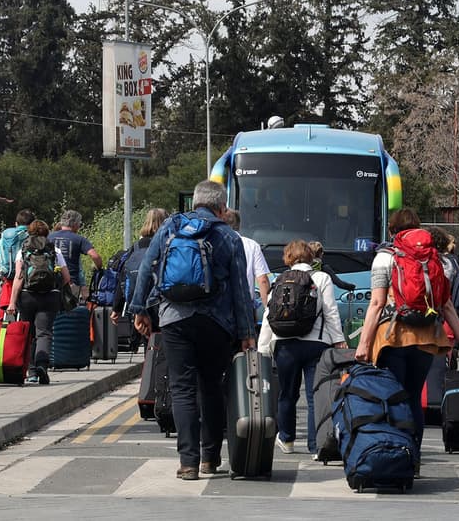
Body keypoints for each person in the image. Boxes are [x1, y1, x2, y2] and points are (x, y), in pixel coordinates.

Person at [128, 180, 256, 481]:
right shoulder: (229, 236)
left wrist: (139, 309)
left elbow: (147, 267)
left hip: (174, 319)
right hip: (217, 323)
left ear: (194, 202)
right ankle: (210, 458)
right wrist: (247, 331)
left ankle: (188, 462)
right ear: (222, 208)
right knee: (211, 386)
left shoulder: (171, 226)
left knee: (182, 389)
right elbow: (240, 288)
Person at [355, 208, 459, 476]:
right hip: (427, 338)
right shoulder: (435, 259)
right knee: (412, 396)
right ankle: (415, 459)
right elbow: (447, 305)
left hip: (393, 337)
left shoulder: (385, 257)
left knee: (392, 397)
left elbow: (376, 303)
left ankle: (396, 455)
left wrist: (363, 344)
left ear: (392, 230)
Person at [257, 240, 347, 458]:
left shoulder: (279, 279)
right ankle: (316, 445)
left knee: (287, 394)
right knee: (315, 395)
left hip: (284, 344)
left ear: (287, 258)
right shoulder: (322, 278)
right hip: (316, 343)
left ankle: (286, 439)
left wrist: (263, 347)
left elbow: (269, 314)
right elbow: (331, 312)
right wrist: (338, 340)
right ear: (310, 256)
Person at [5, 219, 71, 385]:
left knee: (29, 333)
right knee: (44, 333)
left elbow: (19, 278)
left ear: (30, 233)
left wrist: (12, 302)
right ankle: (42, 365)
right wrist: (55, 286)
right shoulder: (54, 250)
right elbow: (66, 277)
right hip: (49, 296)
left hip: (27, 296)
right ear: (47, 233)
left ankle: (32, 371)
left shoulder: (23, 250)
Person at [110, 208, 168, 331]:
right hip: (162, 305)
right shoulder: (167, 244)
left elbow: (124, 277)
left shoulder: (136, 247)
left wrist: (116, 308)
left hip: (138, 307)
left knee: (145, 337)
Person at [223, 209, 271, 316]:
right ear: (238, 225)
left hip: (221, 308)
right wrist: (268, 312)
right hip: (245, 307)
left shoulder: (215, 243)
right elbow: (263, 280)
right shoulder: (252, 245)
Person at [0, 208, 35, 320]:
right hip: (26, 282)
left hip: (8, 280)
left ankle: (5, 330)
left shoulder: (5, 237)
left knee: (8, 316)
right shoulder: (31, 237)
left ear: (16, 223)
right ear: (32, 224)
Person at [48, 209, 103, 290]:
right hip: (71, 283)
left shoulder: (49, 237)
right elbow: (95, 256)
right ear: (75, 224)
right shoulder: (79, 239)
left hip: (51, 281)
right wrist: (98, 267)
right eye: (79, 223)